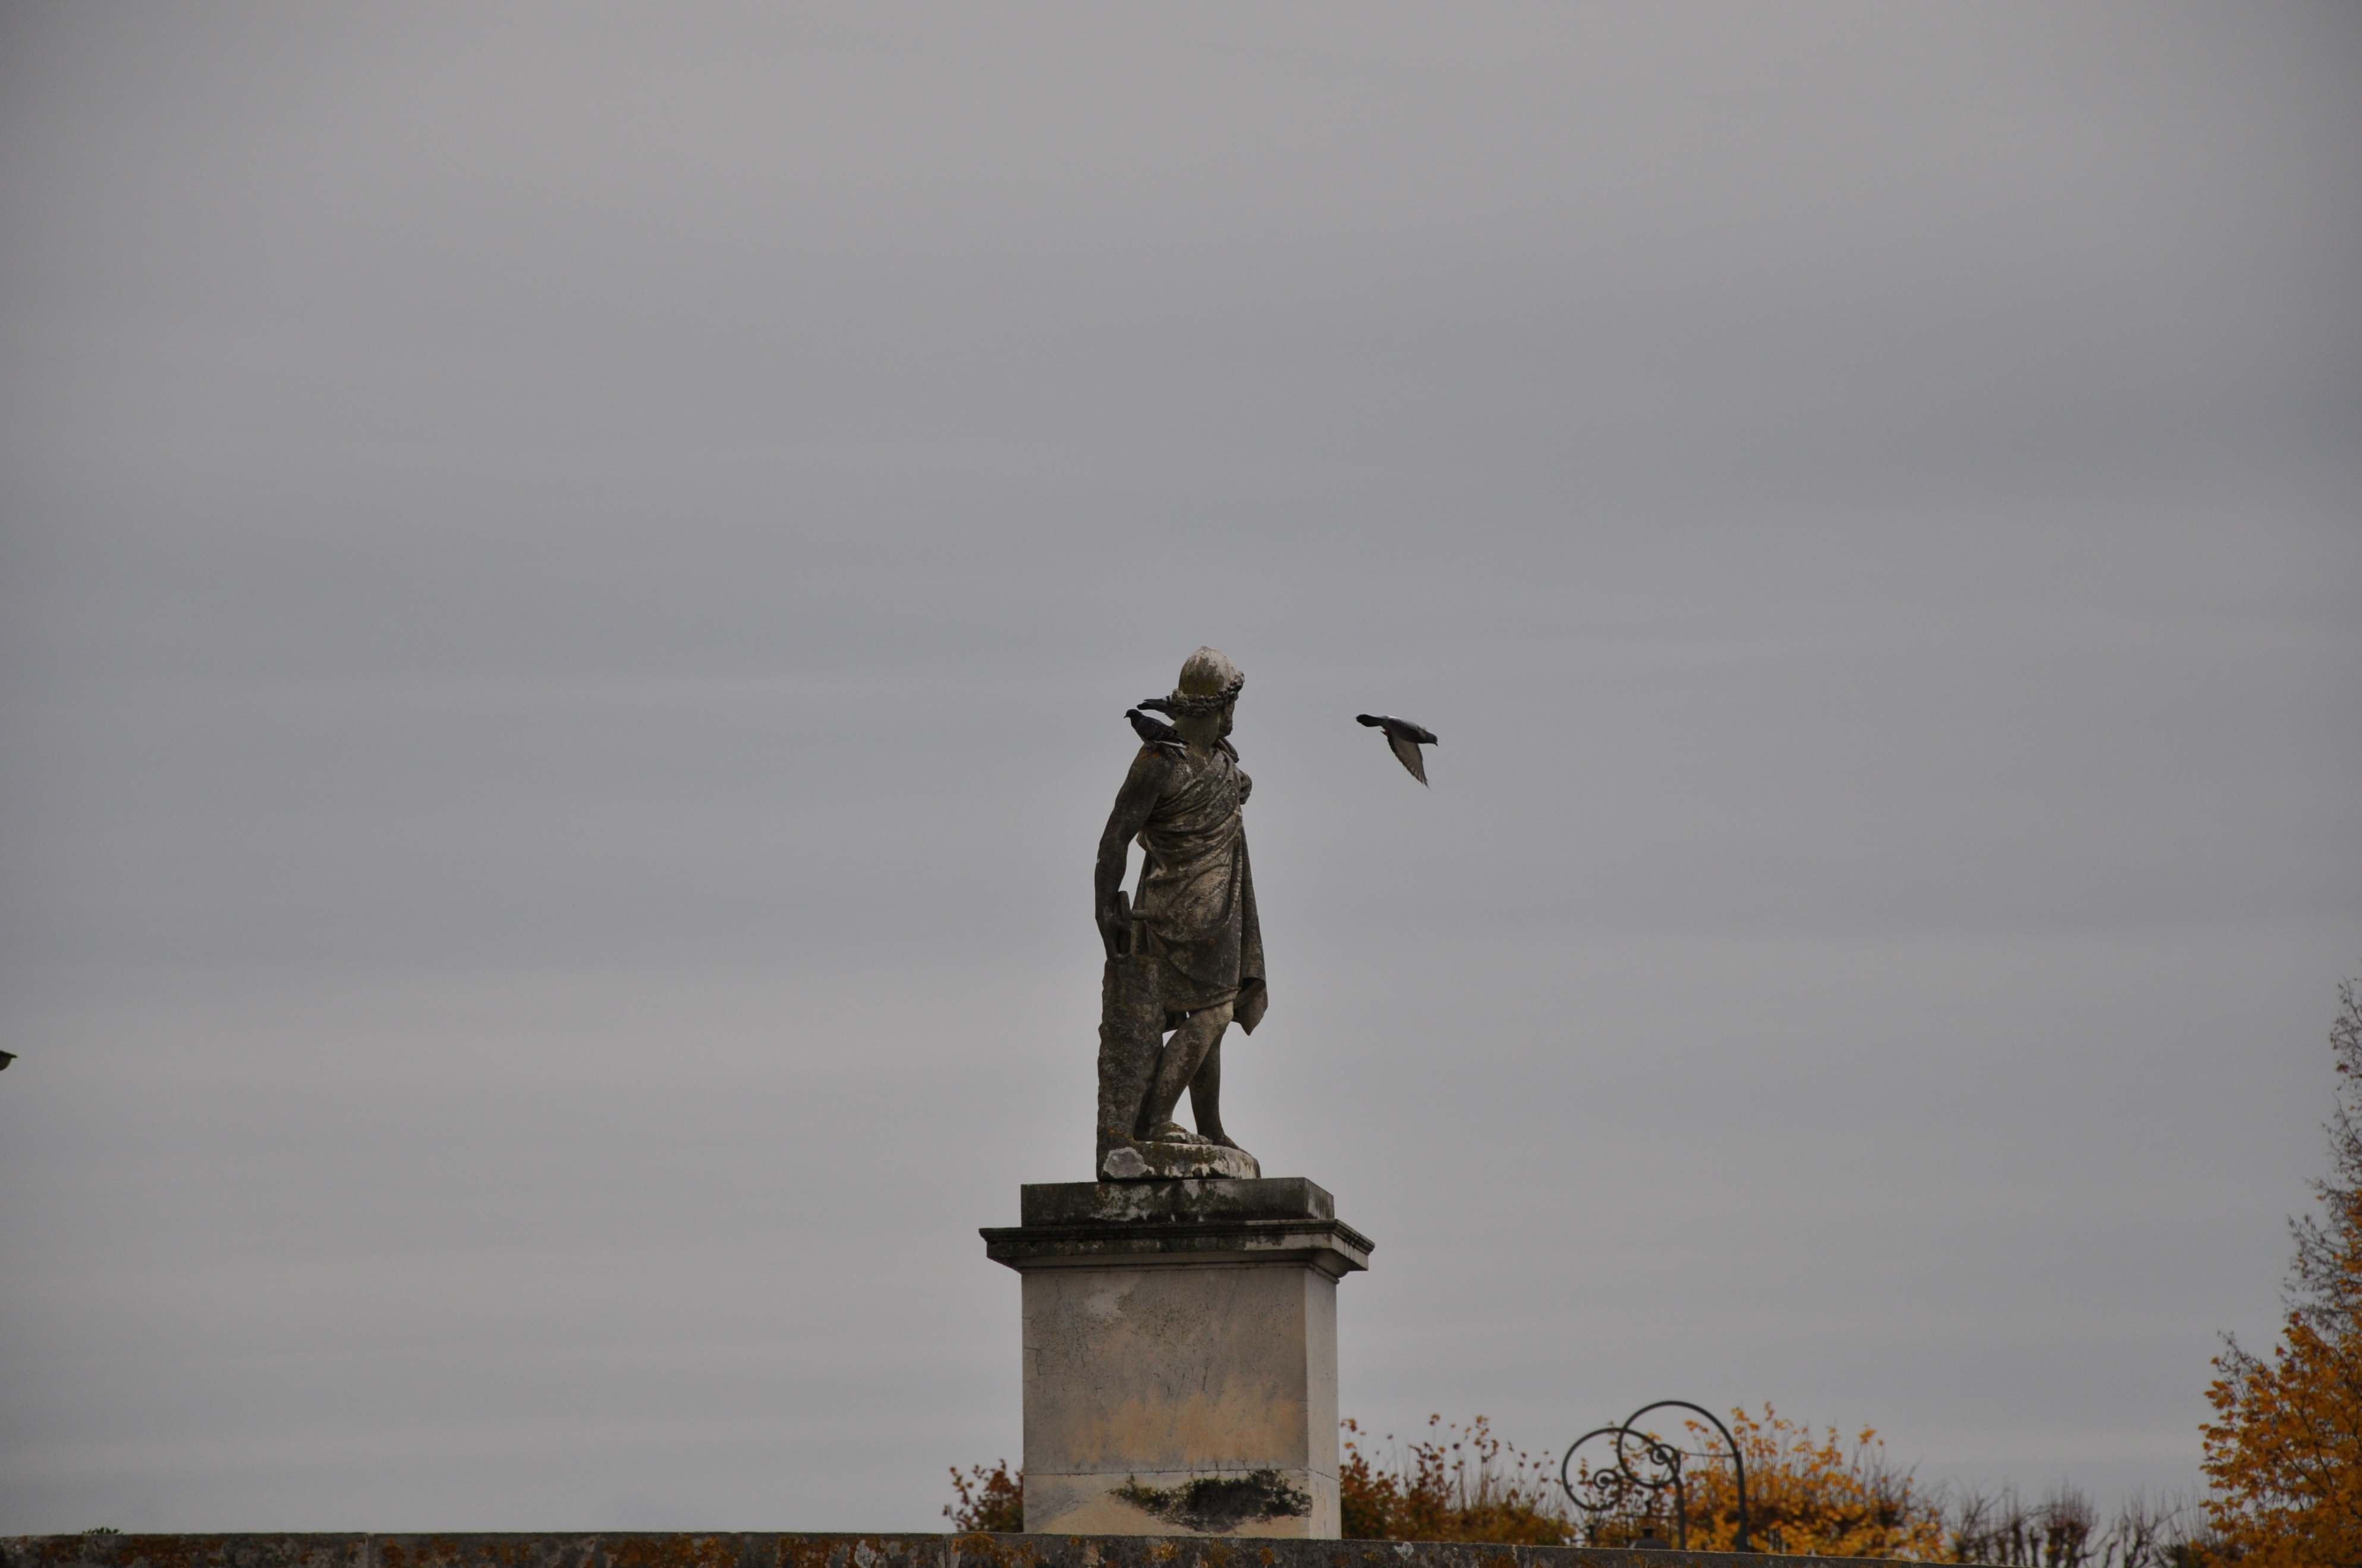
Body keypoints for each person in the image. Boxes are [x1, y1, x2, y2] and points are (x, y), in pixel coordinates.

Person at [1094, 646, 1266, 1150]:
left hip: (1212, 906)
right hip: (1182, 908)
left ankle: (1209, 1126)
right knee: (1214, 1013)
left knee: (1206, 1013)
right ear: (1221, 708)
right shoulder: (1157, 762)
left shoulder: (1219, 762)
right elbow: (1115, 838)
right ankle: (1153, 1123)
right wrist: (1104, 908)